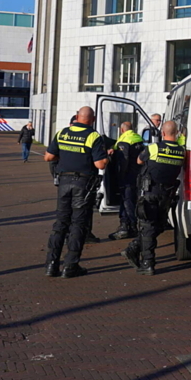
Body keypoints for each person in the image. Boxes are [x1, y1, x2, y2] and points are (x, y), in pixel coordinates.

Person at [43, 107, 109, 279]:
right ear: (92, 119)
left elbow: (48, 157)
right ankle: (70, 266)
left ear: (77, 117)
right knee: (78, 224)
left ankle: (51, 265)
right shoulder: (94, 136)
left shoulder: (62, 133)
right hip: (84, 184)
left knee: (61, 223)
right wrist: (107, 158)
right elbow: (100, 165)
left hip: (64, 182)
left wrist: (65, 158)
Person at [122, 121, 186, 275]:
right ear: (176, 133)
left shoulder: (153, 148)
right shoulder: (182, 152)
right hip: (167, 195)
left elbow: (139, 160)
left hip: (149, 193)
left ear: (163, 133)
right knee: (158, 226)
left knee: (148, 227)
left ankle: (147, 263)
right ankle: (134, 249)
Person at [108, 121, 145, 241]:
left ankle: (129, 227)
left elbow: (124, 161)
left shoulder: (124, 141)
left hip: (127, 177)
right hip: (137, 175)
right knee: (131, 200)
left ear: (122, 130)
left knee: (127, 201)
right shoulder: (138, 140)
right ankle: (126, 225)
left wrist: (119, 177)